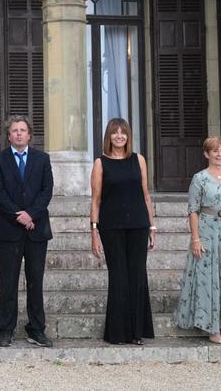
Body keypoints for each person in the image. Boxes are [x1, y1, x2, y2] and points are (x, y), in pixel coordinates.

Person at [174, 135, 221, 344]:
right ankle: (212, 326)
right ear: (207, 154)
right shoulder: (199, 178)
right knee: (209, 279)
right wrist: (195, 239)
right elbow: (193, 210)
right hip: (208, 231)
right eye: (215, 151)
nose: (219, 154)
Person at [89, 118, 156, 345]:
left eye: (123, 132)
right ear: (108, 136)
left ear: (128, 136)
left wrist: (152, 226)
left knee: (137, 276)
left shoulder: (139, 160)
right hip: (111, 226)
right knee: (118, 277)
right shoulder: (100, 163)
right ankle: (117, 333)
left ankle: (137, 332)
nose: (119, 136)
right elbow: (96, 200)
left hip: (138, 224)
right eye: (115, 133)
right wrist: (94, 232)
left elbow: (146, 194)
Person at [0, 114, 53, 348]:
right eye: (14, 130)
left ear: (29, 134)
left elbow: (47, 190)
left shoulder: (42, 159)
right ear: (9, 135)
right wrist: (19, 215)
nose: (18, 133)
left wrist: (31, 214)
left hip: (36, 229)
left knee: (36, 281)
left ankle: (36, 329)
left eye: (22, 130)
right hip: (8, 229)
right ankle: (5, 329)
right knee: (8, 282)